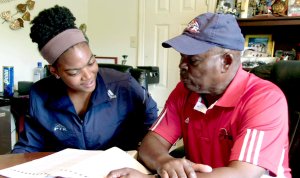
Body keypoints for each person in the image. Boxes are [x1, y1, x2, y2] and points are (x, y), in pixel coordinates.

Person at [106, 13, 291, 178]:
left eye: (192, 60)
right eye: (182, 57)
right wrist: (165, 162)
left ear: (226, 61)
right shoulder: (185, 91)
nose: (182, 66)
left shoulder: (265, 100)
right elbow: (151, 143)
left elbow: (240, 174)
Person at [12, 5, 158, 153]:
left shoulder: (123, 84)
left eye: (91, 62)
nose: (88, 76)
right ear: (55, 72)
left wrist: (142, 151)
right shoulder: (40, 95)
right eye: (74, 72)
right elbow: (29, 146)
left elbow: (155, 125)